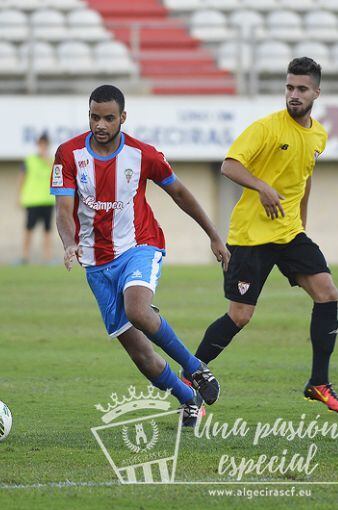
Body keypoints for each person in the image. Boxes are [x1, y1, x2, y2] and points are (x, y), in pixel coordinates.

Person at [51, 85, 230, 425]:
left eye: (108, 118)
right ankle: (188, 398)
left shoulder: (142, 154)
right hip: (95, 262)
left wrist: (213, 235)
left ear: (122, 118)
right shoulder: (68, 154)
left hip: (140, 245)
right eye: (94, 117)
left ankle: (196, 369)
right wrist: (69, 242)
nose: (100, 125)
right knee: (140, 354)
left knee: (137, 309)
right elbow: (63, 210)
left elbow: (179, 192)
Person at [192, 58, 338, 415]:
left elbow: (304, 179)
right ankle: (191, 377)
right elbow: (229, 165)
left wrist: (302, 225)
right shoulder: (266, 128)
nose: (294, 95)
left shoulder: (318, 135)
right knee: (240, 316)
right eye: (289, 88)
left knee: (328, 294)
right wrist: (261, 186)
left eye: (302, 89)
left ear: (316, 93)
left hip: (289, 232)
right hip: (251, 235)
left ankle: (318, 383)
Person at [17, 132, 55, 264]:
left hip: (48, 200)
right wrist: (19, 196)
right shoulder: (29, 160)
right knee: (28, 230)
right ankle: (25, 257)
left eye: (45, 144)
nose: (43, 147)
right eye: (41, 144)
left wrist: (46, 159)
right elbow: (21, 179)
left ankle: (48, 257)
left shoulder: (53, 161)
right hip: (33, 201)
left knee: (47, 231)